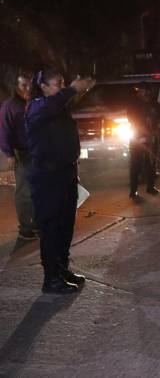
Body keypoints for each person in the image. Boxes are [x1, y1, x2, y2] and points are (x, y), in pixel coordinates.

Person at [25, 70, 94, 294]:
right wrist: (73, 88)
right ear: (43, 86)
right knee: (51, 228)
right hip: (47, 177)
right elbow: (54, 103)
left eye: (63, 83)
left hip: (66, 174)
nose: (61, 88)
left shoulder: (59, 108)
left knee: (66, 226)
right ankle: (51, 279)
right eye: (57, 84)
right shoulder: (37, 106)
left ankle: (62, 269)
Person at [0, 70, 36, 240]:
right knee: (24, 191)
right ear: (16, 87)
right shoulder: (10, 106)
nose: (27, 88)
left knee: (39, 189)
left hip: (38, 152)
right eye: (23, 85)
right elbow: (4, 130)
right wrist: (8, 153)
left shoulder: (36, 102)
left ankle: (37, 223)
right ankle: (25, 227)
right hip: (21, 153)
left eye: (29, 84)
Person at [128, 85, 160, 198]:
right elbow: (130, 118)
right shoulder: (133, 105)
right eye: (141, 92)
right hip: (137, 137)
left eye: (145, 92)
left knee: (151, 163)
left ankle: (150, 187)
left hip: (152, 138)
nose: (143, 94)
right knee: (135, 164)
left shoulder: (155, 105)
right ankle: (133, 190)